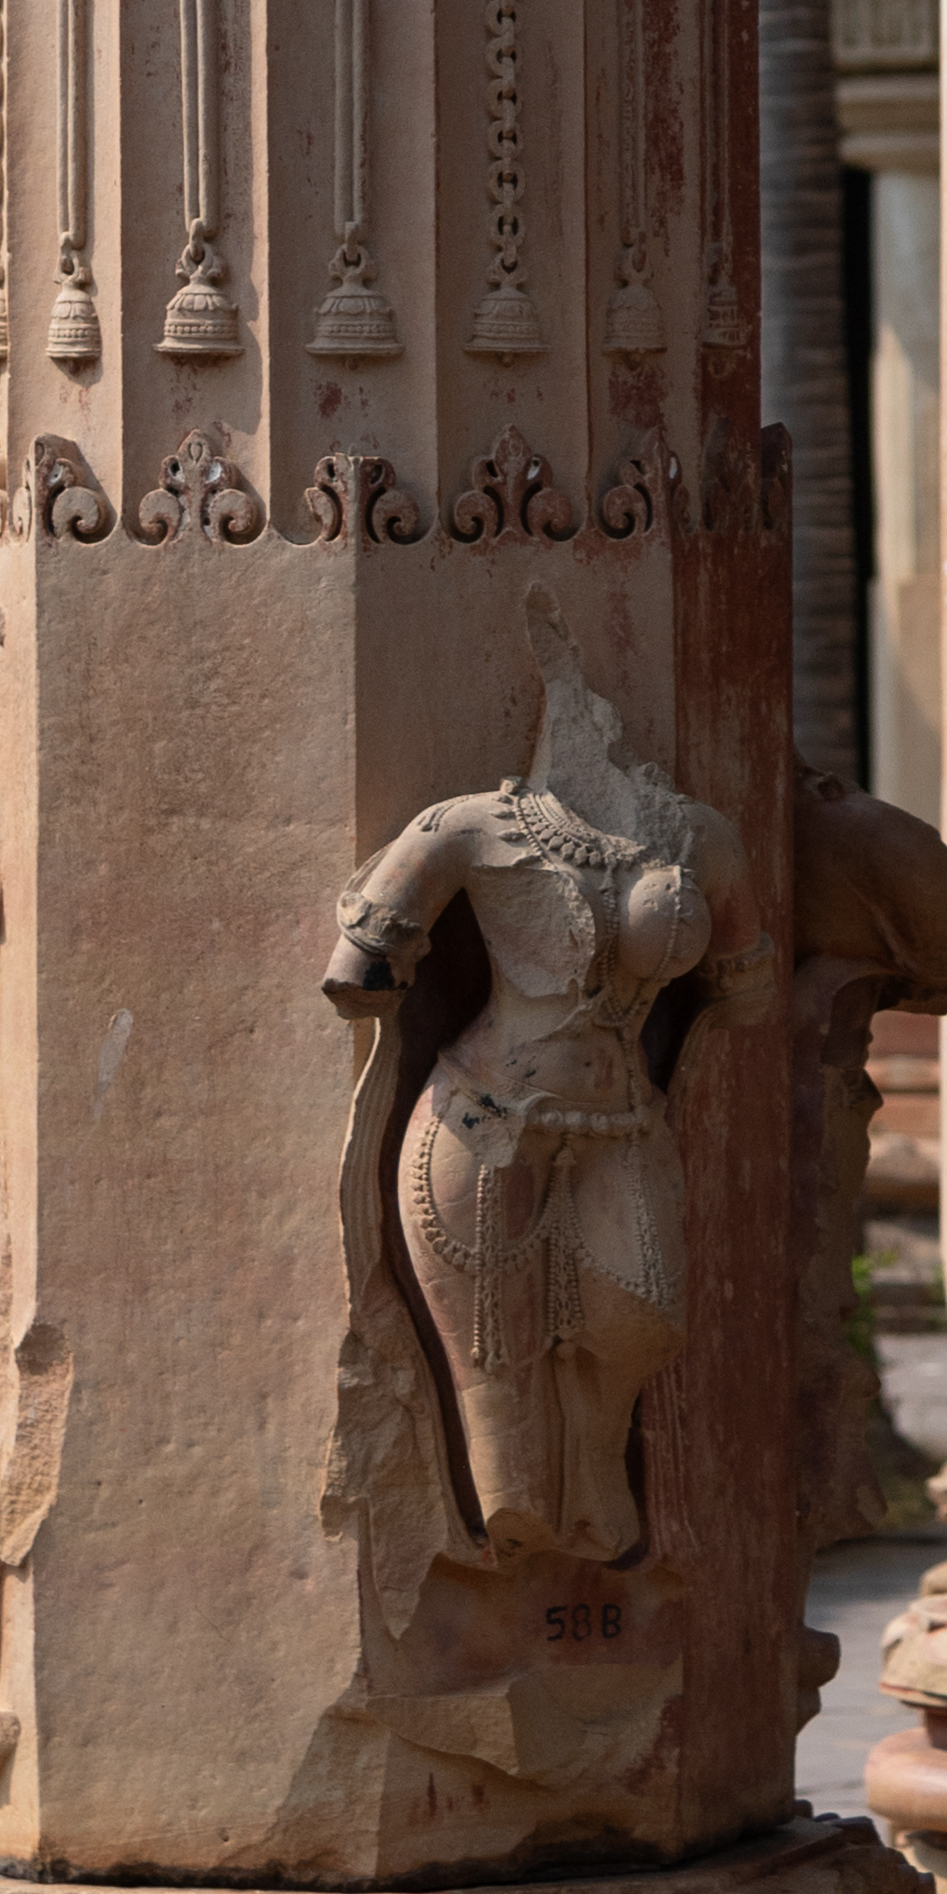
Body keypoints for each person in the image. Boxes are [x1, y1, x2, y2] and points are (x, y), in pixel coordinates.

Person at [326, 597, 779, 1567]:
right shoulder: (473, 828)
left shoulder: (695, 840)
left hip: (620, 1117)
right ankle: (511, 1511)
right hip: (486, 1116)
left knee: (640, 1319)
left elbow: (747, 988)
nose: (586, 712)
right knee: (496, 1371)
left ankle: (595, 1488)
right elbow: (358, 965)